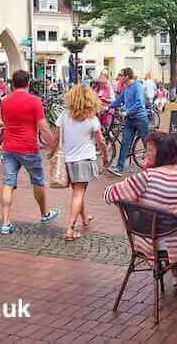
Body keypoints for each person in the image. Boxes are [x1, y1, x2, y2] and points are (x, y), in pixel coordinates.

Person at [105, 132, 177, 286]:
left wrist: (131, 200)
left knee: (172, 221)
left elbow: (111, 194)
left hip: (148, 237)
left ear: (161, 153)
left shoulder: (147, 177)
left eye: (150, 150)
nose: (147, 153)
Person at [0, 70, 59, 235]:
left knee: (8, 183)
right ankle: (44, 213)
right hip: (28, 147)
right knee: (38, 181)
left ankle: (5, 222)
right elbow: (43, 126)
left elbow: (4, 121)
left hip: (9, 147)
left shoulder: (4, 101)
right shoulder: (35, 101)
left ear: (12, 83)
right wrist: (53, 145)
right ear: (28, 83)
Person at [55, 85, 108, 242]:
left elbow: (56, 136)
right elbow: (101, 141)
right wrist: (105, 155)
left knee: (78, 190)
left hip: (68, 160)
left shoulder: (65, 115)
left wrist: (52, 153)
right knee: (78, 192)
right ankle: (70, 228)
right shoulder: (92, 119)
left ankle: (84, 217)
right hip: (84, 160)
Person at [108, 68, 149, 177]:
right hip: (130, 119)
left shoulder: (137, 86)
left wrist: (127, 112)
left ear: (127, 76)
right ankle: (119, 167)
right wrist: (107, 107)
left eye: (121, 75)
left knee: (147, 144)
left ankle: (154, 168)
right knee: (125, 142)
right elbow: (118, 101)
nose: (119, 77)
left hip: (140, 118)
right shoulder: (126, 88)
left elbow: (140, 103)